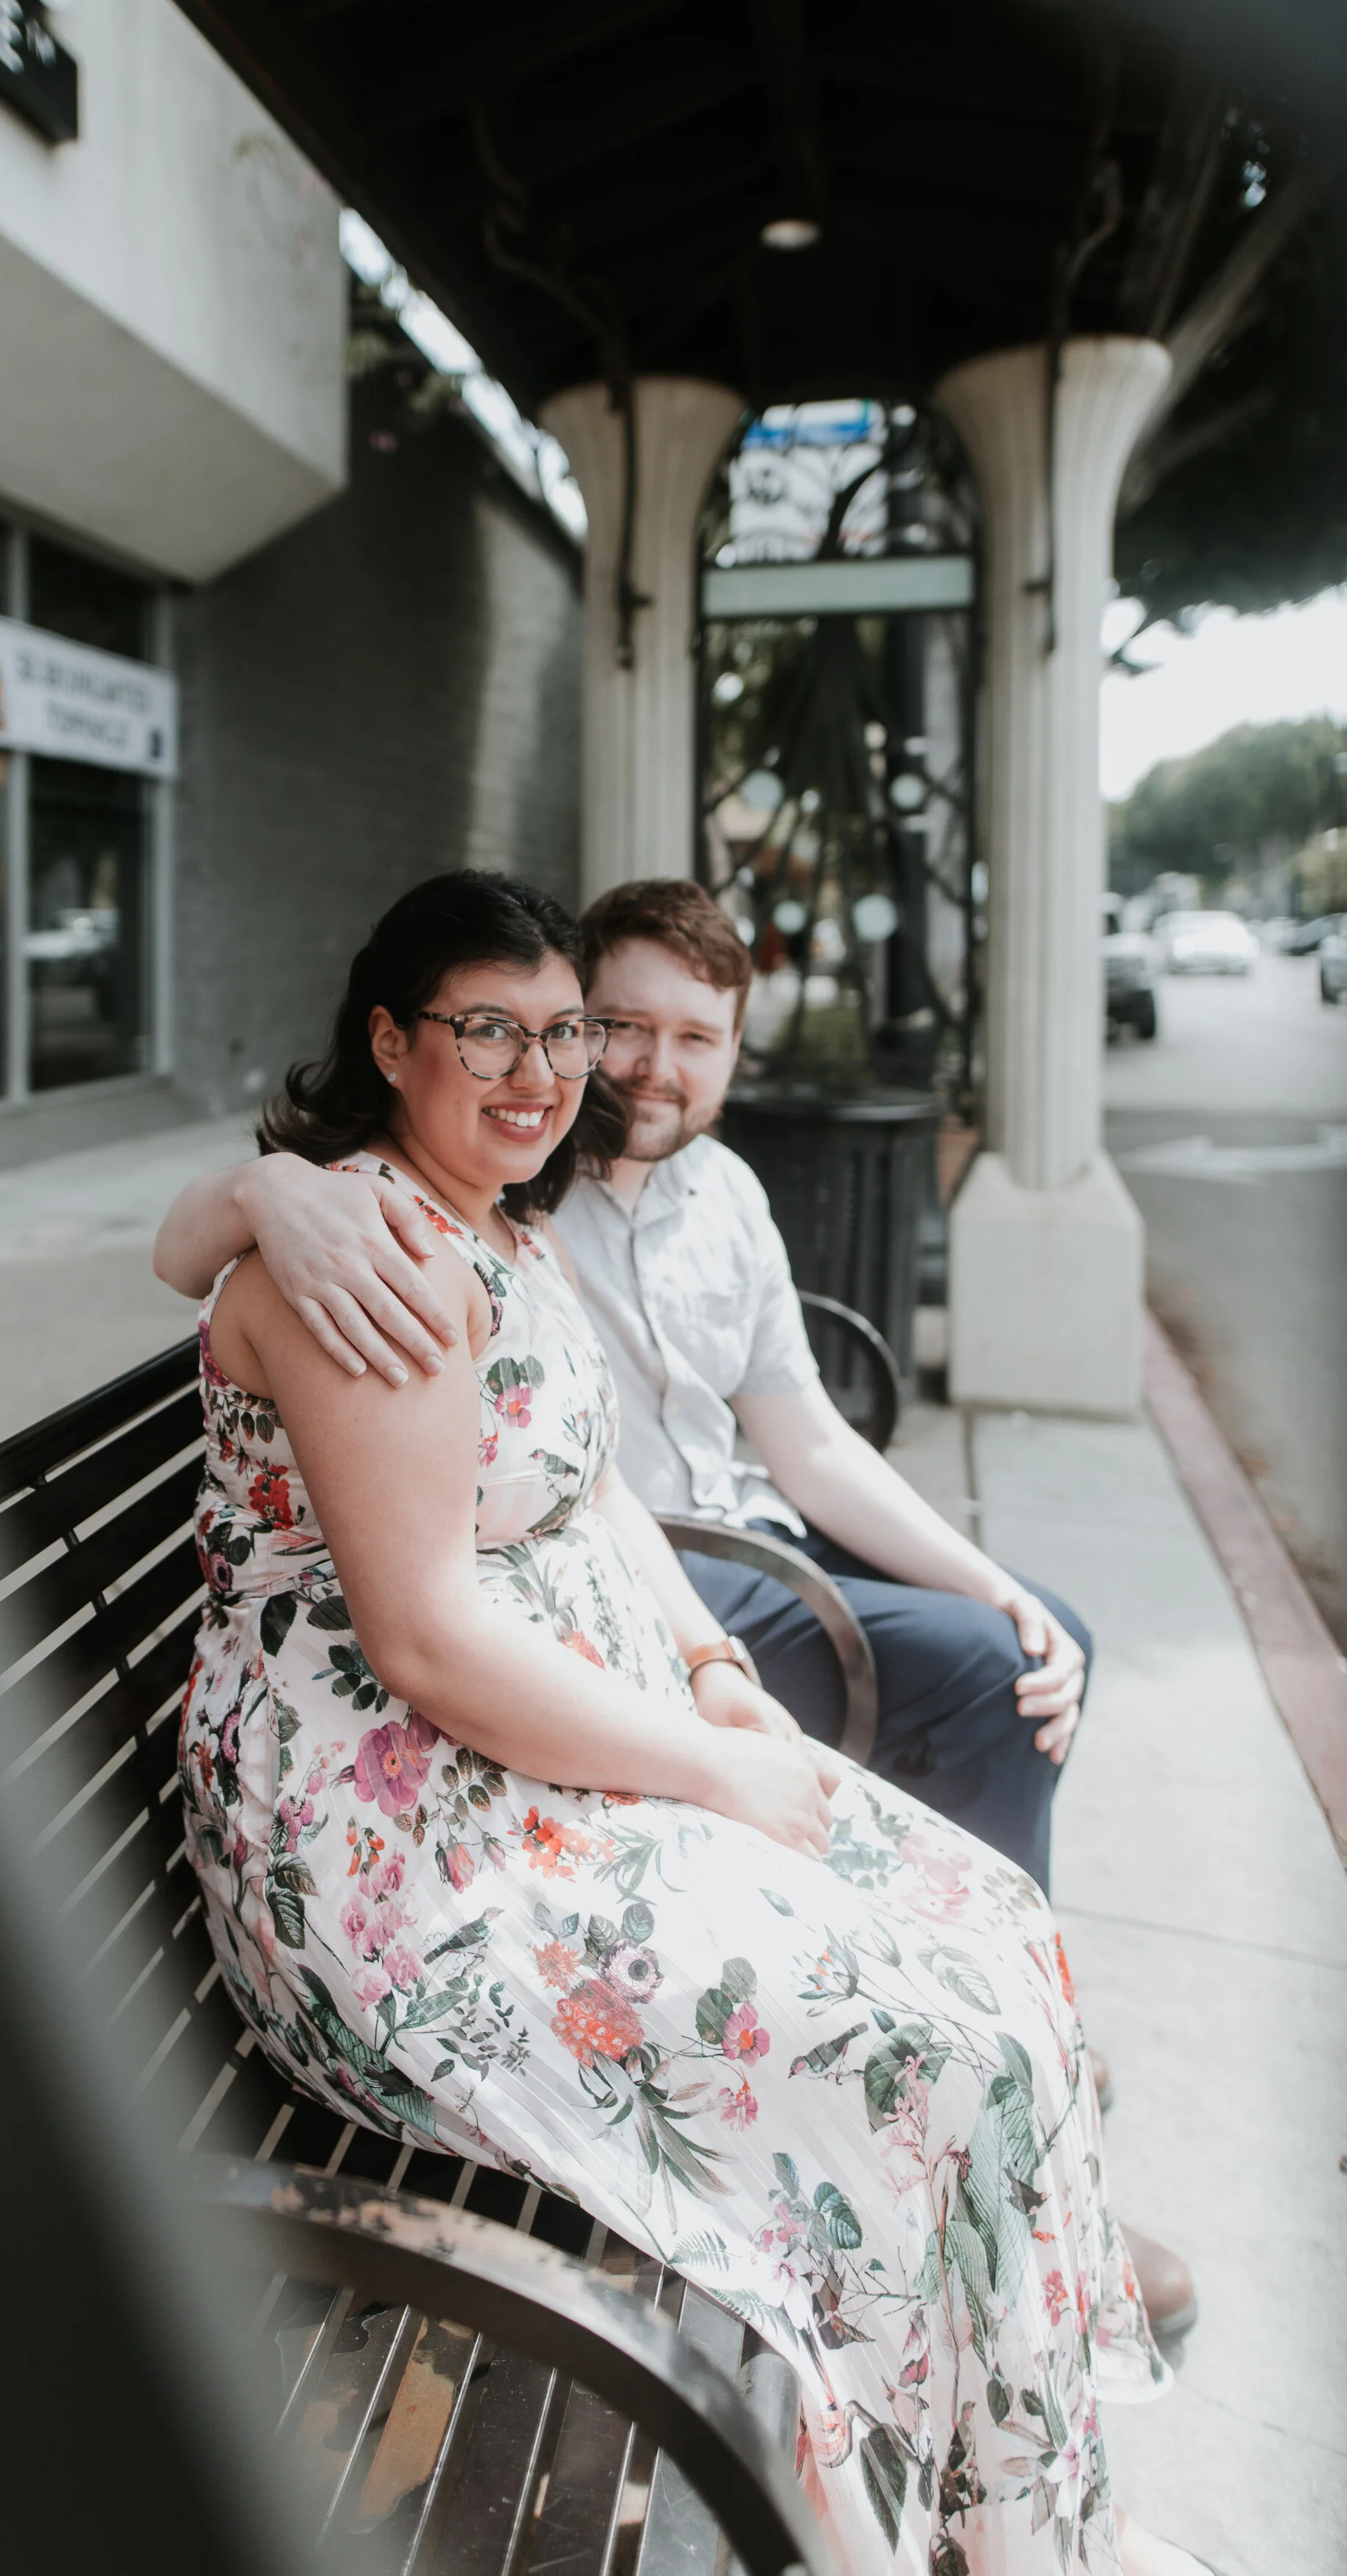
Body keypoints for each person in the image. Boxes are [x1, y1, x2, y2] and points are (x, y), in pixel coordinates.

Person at [176, 870, 1211, 2576]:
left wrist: (717, 1670)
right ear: (389, 1041)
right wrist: (717, 1765)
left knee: (995, 1938)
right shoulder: (371, 1257)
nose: (538, 1072)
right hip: (402, 1860)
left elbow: (594, 1496)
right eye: (486, 1031)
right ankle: (968, 2533)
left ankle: (1010, 2508)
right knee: (929, 2057)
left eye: (556, 1032)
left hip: (559, 1768)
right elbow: (423, 1643)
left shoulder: (498, 1224)